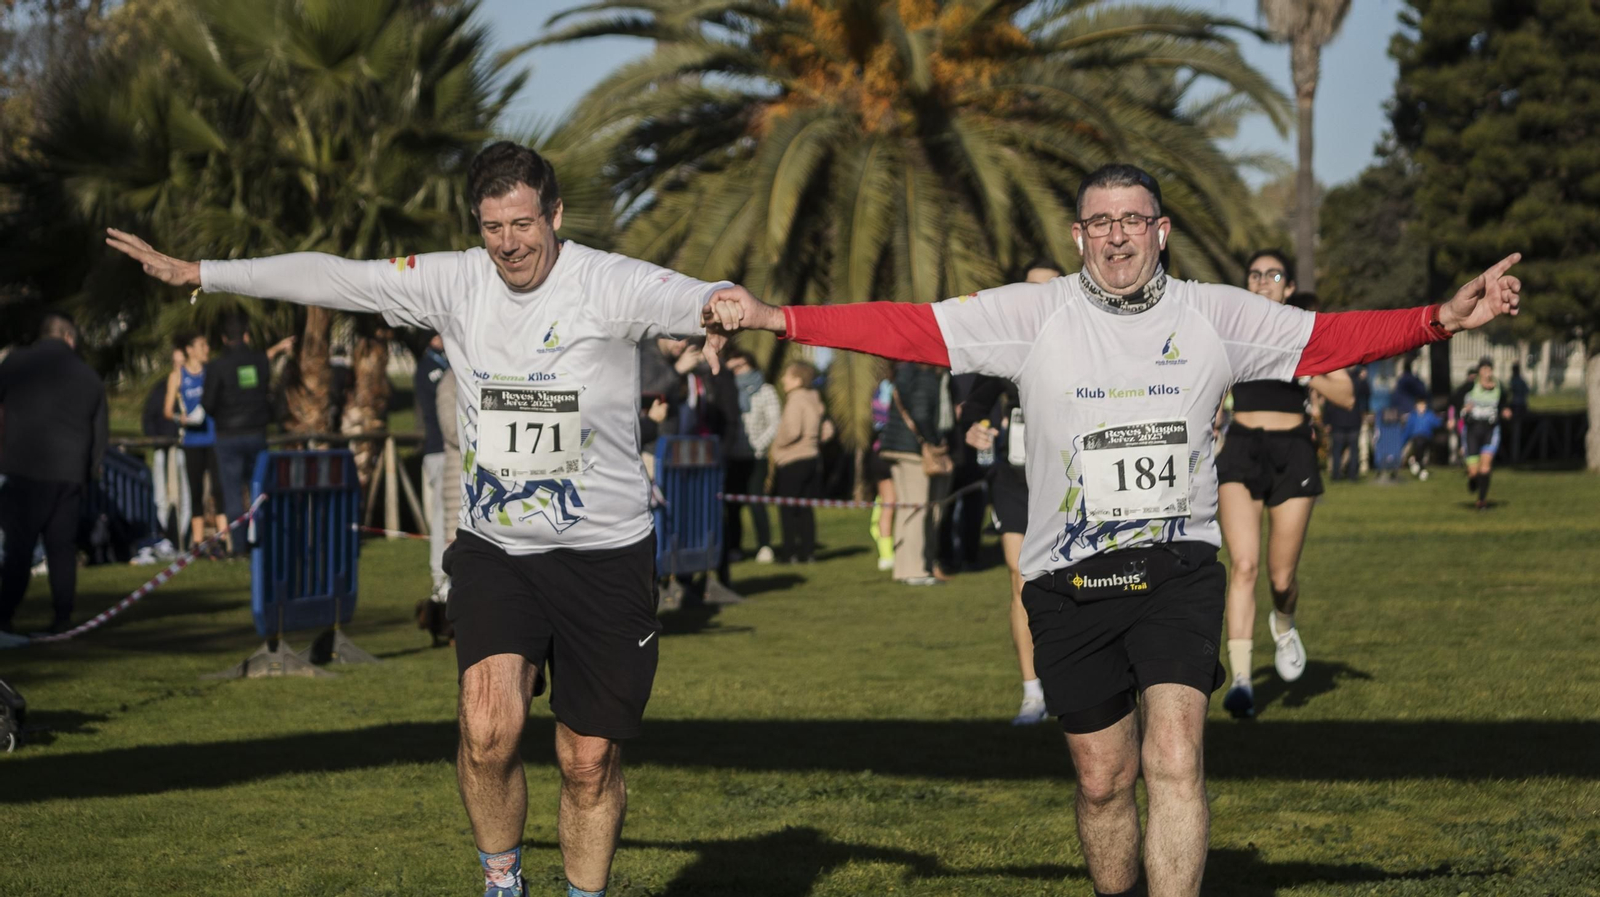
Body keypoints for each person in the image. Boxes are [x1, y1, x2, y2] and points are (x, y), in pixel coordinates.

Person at [699, 163, 1521, 897]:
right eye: (1101, 221)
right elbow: (910, 327)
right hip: (1067, 577)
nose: (1118, 235)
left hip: (1178, 566)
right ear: (1078, 235)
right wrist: (780, 318)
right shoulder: (1035, 314)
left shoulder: (1215, 316)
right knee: (1102, 779)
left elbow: (1327, 339)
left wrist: (1440, 319)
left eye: (1134, 220)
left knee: (1173, 754)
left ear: (1161, 232)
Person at [107, 139, 739, 897]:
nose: (509, 243)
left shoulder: (605, 281)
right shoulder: (455, 281)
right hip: (498, 550)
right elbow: (333, 275)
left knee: (587, 759)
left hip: (604, 555)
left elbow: (694, 294)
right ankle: (502, 884)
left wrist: (723, 301)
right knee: (486, 726)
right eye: (492, 226)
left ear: (556, 215)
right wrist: (201, 272)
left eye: (523, 223)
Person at [1216, 253, 1356, 720]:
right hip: (1241, 447)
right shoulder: (1231, 331)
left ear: (1289, 287)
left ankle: (1284, 623)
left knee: (1280, 579)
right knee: (1244, 565)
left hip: (1293, 448)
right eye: (1254, 275)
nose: (1262, 283)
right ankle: (1240, 682)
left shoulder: (1306, 331)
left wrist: (1302, 369)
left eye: (1273, 276)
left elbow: (1346, 394)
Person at [957, 259, 1063, 725]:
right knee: (1021, 581)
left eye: (1049, 290)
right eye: (1031, 291)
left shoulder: (1082, 344)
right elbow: (973, 405)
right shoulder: (1006, 350)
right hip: (1015, 480)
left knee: (1072, 581)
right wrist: (970, 429)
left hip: (1068, 482)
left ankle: (1072, 682)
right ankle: (1032, 692)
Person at [0, 312, 108, 635]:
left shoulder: (16, 363)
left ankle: (5, 613)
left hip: (24, 469)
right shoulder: (89, 377)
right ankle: (63, 616)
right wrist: (87, 475)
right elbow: (100, 437)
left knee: (19, 548)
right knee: (61, 548)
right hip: (68, 475)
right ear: (69, 338)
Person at [203, 316, 273, 557]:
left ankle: (241, 547)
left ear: (224, 338)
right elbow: (267, 392)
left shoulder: (217, 366)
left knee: (233, 494)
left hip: (228, 436)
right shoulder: (261, 361)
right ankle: (262, 542)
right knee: (260, 490)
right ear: (246, 335)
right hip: (257, 433)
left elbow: (208, 404)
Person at [881, 361, 951, 586]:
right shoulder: (925, 376)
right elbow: (921, 414)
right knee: (917, 509)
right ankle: (916, 570)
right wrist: (934, 441)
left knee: (906, 509)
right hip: (913, 449)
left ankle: (904, 568)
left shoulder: (906, 373)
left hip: (896, 446)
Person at [164, 331, 229, 556]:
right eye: (202, 345)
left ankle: (223, 539)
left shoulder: (211, 372)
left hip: (213, 439)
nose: (206, 349)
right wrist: (179, 418)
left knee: (219, 490)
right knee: (196, 491)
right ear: (189, 349)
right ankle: (197, 543)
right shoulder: (178, 376)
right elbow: (167, 410)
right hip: (191, 441)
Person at [724, 349, 778, 564]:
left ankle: (764, 545)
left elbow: (774, 422)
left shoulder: (766, 390)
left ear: (752, 366)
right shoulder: (726, 390)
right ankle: (735, 547)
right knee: (732, 505)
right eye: (733, 368)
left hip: (756, 456)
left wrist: (758, 446)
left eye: (741, 366)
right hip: (732, 455)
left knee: (756, 501)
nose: (737, 372)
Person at [769, 360, 824, 564]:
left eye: (788, 376)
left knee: (788, 509)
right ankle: (808, 552)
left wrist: (777, 445)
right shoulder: (814, 398)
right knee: (805, 508)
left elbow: (792, 430)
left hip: (793, 459)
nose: (783, 379)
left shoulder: (796, 399)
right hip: (812, 457)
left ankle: (789, 552)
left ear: (798, 380)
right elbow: (825, 430)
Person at [143, 342, 189, 546]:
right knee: (162, 495)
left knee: (185, 496)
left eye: (183, 362)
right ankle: (165, 536)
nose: (179, 367)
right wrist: (157, 439)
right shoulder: (161, 388)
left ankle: (184, 538)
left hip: (187, 449)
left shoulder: (194, 385)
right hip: (163, 446)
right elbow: (148, 417)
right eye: (175, 363)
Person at [416, 332, 451, 598]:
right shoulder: (430, 367)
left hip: (449, 450)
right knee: (442, 515)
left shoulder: (446, 363)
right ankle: (439, 577)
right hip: (440, 450)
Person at [1461, 360, 1511, 510]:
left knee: (1486, 466)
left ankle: (1481, 501)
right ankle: (1473, 479)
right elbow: (1455, 400)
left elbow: (1504, 402)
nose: (1487, 372)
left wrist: (1505, 411)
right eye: (1484, 369)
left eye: (1489, 369)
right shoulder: (1471, 385)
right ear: (1479, 372)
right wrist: (1462, 411)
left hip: (1490, 428)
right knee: (1474, 471)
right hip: (1473, 429)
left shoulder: (1498, 387)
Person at [866, 373, 897, 571]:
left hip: (880, 451)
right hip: (888, 453)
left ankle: (882, 539)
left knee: (887, 502)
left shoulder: (881, 387)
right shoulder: (892, 388)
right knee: (890, 503)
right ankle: (886, 554)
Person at [1326, 365, 1369, 481]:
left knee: (1336, 450)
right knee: (1354, 450)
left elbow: (1328, 402)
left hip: (1337, 420)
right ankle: (1352, 474)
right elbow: (1367, 395)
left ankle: (1336, 474)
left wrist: (1327, 421)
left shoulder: (1335, 382)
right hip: (1354, 419)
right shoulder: (1359, 382)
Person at [1400, 397, 1442, 480]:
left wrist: (1440, 420)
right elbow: (1408, 430)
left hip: (1427, 438)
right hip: (1416, 438)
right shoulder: (1413, 416)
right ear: (1416, 406)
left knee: (1422, 447)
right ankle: (1419, 466)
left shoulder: (1429, 415)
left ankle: (1416, 462)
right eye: (1420, 405)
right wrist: (1402, 442)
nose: (1422, 407)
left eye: (1423, 405)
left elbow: (1437, 423)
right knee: (1419, 445)